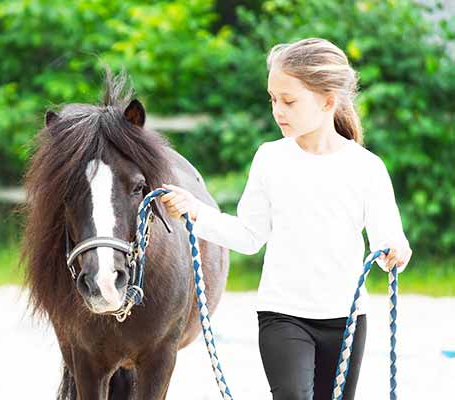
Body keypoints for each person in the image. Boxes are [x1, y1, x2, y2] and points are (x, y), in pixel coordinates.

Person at [158, 37, 413, 400]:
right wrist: (195, 212)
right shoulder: (270, 159)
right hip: (282, 315)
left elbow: (389, 236)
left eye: (289, 101)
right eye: (273, 99)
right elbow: (249, 235)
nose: (278, 110)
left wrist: (396, 250)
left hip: (346, 320)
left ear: (327, 101)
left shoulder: (366, 168)